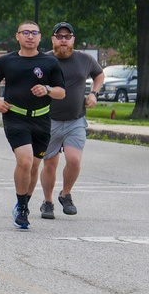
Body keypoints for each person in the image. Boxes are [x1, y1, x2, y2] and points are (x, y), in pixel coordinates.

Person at [0, 21, 65, 230]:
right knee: (25, 161)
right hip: (15, 117)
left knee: (34, 166)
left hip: (41, 119)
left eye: (34, 33)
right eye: (25, 33)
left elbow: (61, 92)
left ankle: (23, 204)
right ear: (17, 36)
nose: (30, 36)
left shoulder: (50, 63)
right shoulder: (7, 61)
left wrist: (47, 89)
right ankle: (21, 209)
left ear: (40, 38)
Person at [35, 22, 104, 219]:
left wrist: (94, 94)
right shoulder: (44, 60)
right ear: (53, 39)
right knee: (50, 164)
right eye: (59, 36)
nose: (63, 40)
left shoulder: (85, 59)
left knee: (74, 160)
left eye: (67, 36)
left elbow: (99, 74)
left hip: (75, 120)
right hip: (49, 120)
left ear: (73, 39)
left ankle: (65, 194)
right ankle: (47, 202)